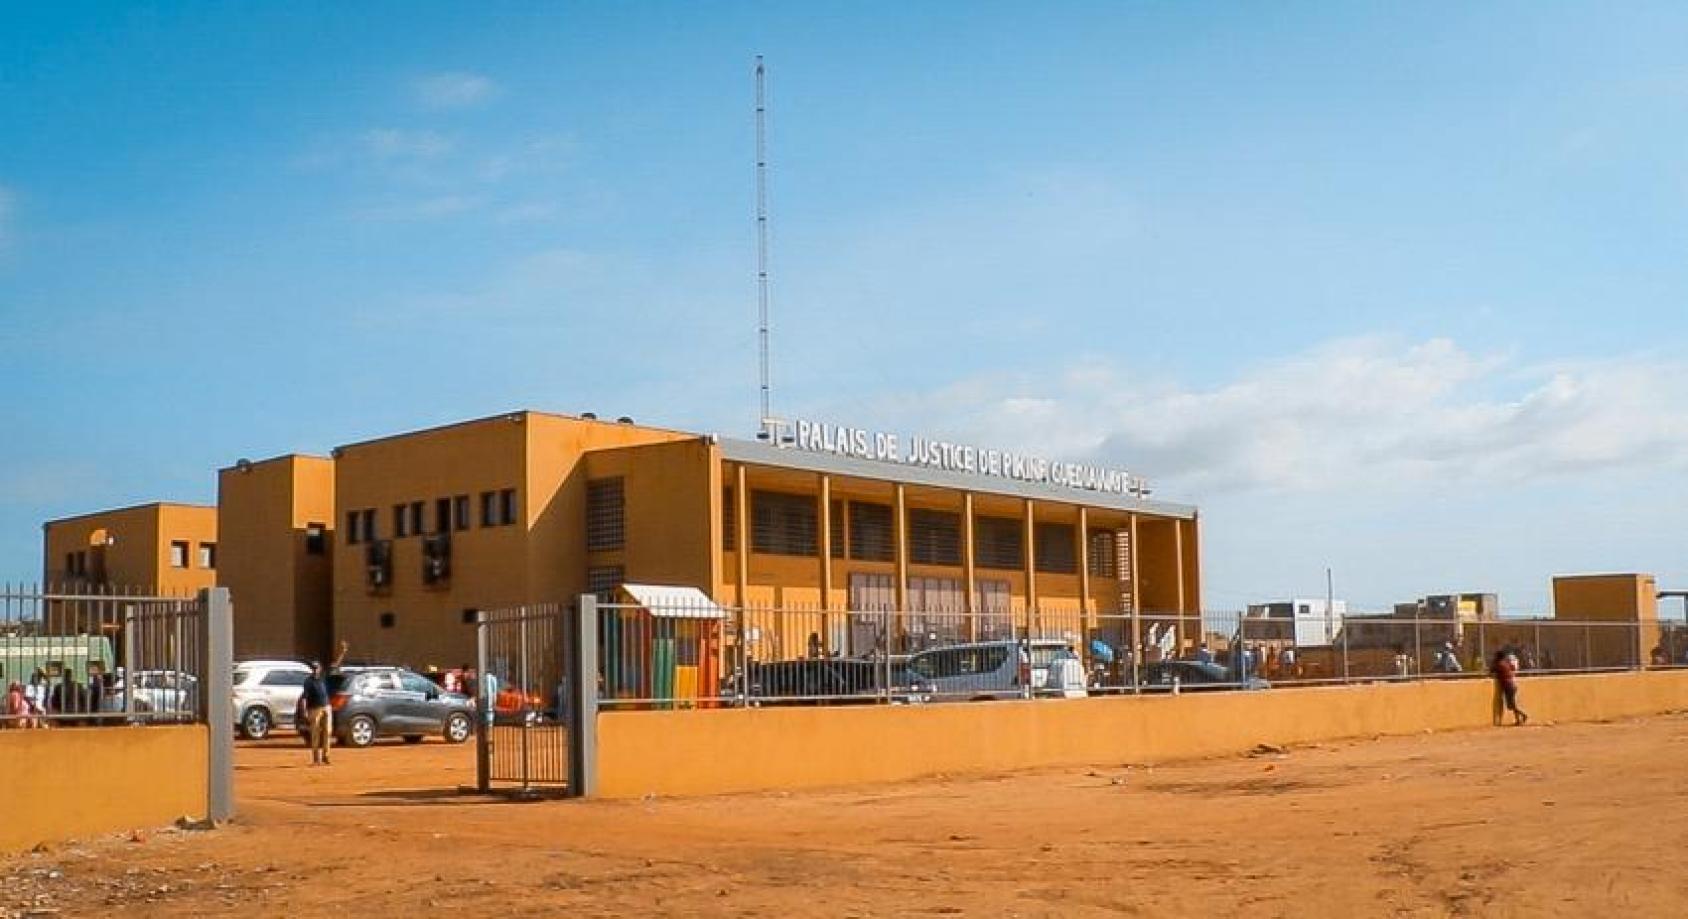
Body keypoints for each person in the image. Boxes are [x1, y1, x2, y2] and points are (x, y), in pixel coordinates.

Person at [302, 640, 349, 766]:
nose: (315, 670)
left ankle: (326, 757)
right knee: (315, 734)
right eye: (313, 668)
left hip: (326, 706)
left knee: (328, 732)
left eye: (316, 668)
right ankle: (316, 759)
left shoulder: (324, 677)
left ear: (320, 668)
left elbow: (336, 664)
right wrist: (305, 711)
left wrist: (343, 652)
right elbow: (305, 697)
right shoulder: (308, 681)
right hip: (314, 709)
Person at [1490, 649, 1528, 726]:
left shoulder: (1499, 664)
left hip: (1508, 686)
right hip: (1511, 685)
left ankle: (1523, 715)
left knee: (1511, 705)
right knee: (1512, 704)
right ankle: (1518, 720)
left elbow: (1491, 671)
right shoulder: (1505, 663)